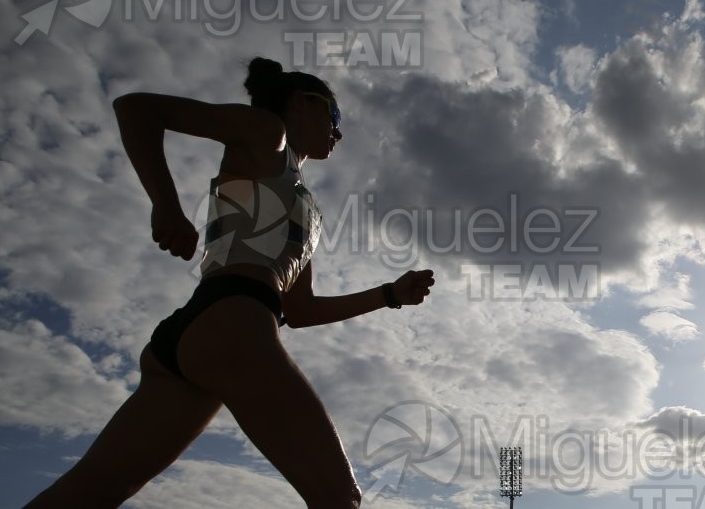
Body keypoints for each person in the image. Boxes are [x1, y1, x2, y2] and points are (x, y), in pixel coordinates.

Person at [24, 57, 435, 508]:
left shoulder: (306, 206)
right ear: (300, 103)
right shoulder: (267, 134)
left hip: (203, 335)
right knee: (340, 498)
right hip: (233, 323)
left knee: (90, 492)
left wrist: (388, 296)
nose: (338, 131)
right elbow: (137, 109)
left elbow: (299, 311)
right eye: (332, 115)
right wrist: (166, 206)